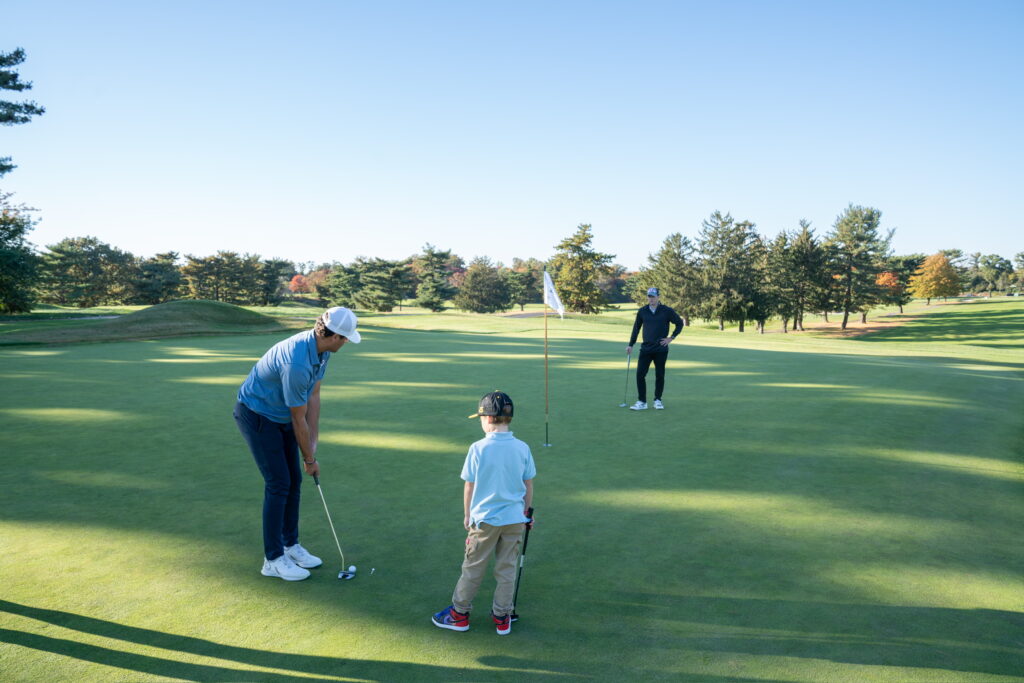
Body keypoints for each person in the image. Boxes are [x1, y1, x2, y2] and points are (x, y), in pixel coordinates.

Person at [233, 307, 361, 581]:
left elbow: (314, 395)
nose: (347, 342)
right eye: (346, 338)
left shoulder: (322, 350)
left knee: (292, 481)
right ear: (334, 335)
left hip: (281, 415)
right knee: (278, 483)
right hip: (258, 415)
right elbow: (297, 416)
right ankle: (273, 559)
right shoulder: (297, 363)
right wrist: (309, 460)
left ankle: (290, 545)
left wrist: (312, 444)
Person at [432, 391, 536, 636]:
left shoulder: (478, 448)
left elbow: (470, 484)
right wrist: (526, 513)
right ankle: (503, 616)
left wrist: (468, 515)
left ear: (488, 418)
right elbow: (528, 483)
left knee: (474, 566)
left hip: (485, 520)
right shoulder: (522, 447)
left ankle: (459, 614)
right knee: (507, 568)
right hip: (514, 519)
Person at [627, 287, 683, 410]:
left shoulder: (666, 311)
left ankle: (658, 400)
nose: (651, 299)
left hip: (661, 349)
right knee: (640, 375)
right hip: (646, 348)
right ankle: (642, 402)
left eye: (653, 296)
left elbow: (679, 323)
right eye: (649, 296)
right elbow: (636, 329)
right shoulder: (642, 311)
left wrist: (671, 338)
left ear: (658, 297)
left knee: (660, 375)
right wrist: (631, 344)